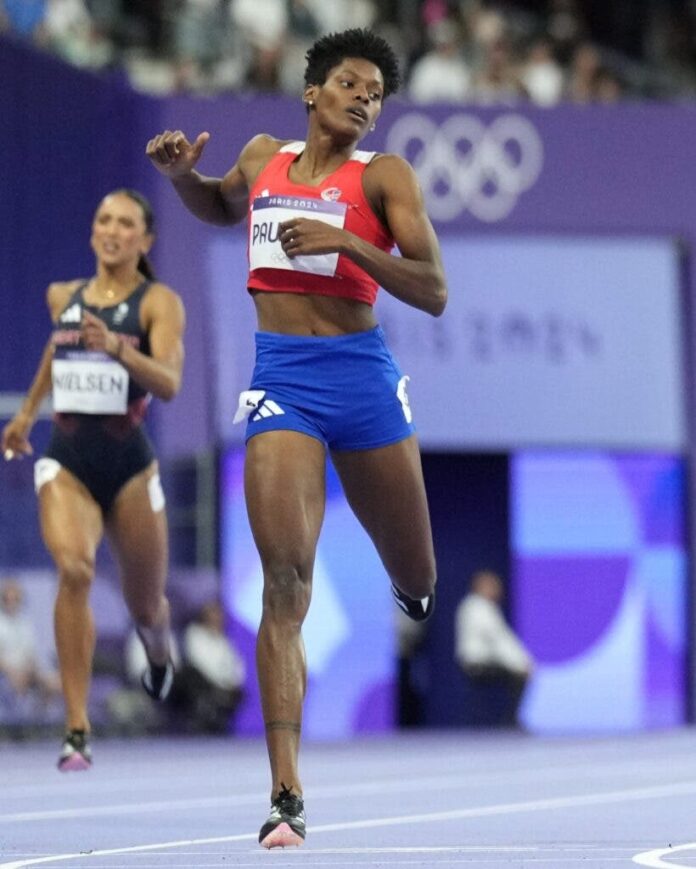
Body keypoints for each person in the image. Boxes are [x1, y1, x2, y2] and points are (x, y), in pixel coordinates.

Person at [146, 27, 447, 849]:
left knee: (418, 571)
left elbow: (435, 290)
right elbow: (218, 204)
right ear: (312, 92)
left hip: (364, 379)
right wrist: (181, 178)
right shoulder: (262, 157)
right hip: (283, 379)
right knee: (285, 582)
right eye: (350, 84)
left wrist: (350, 240)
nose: (364, 98)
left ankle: (411, 590)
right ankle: (286, 794)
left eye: (376, 94)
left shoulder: (383, 177)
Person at [1, 189, 185, 771]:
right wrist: (28, 415)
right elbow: (56, 356)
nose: (112, 230)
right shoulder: (64, 296)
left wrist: (120, 351)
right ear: (92, 233)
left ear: (144, 241)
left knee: (146, 606)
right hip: (68, 459)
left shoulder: (159, 303)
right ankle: (76, 727)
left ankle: (158, 652)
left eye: (125, 223)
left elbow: (170, 384)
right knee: (75, 568)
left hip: (131, 464)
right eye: (103, 219)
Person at [454, 569, 533, 728]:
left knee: (517, 675)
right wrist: (519, 663)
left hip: (481, 660)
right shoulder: (478, 607)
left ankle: (511, 718)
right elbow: (498, 641)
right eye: (493, 586)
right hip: (476, 663)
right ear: (481, 587)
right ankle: (511, 720)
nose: (498, 591)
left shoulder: (480, 606)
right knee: (519, 676)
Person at [175, 600, 246, 734]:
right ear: (205, 616)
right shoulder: (194, 635)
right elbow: (199, 664)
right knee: (191, 676)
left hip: (224, 686)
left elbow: (236, 666)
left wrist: (233, 683)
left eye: (220, 615)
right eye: (214, 614)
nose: (218, 618)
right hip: (205, 684)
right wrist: (220, 685)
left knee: (239, 694)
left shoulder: (224, 641)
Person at [0, 578, 61, 718]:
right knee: (17, 681)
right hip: (7, 673)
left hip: (27, 669)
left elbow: (31, 653)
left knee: (53, 683)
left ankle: (40, 719)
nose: (12, 603)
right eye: (8, 599)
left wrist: (34, 669)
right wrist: (12, 672)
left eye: (15, 599)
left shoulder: (25, 623)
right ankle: (16, 722)